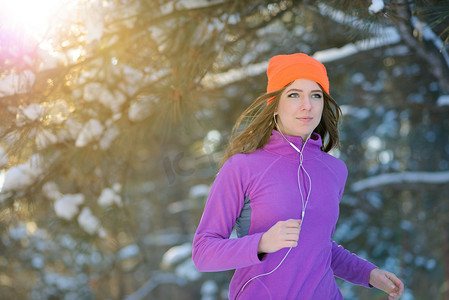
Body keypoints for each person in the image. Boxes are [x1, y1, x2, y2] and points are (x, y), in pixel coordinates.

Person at [192, 53, 404, 299]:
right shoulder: (242, 167)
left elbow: (318, 247)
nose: (307, 105)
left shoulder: (334, 170)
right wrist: (262, 243)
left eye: (316, 95)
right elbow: (203, 252)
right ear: (274, 102)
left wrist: (367, 273)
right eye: (294, 95)